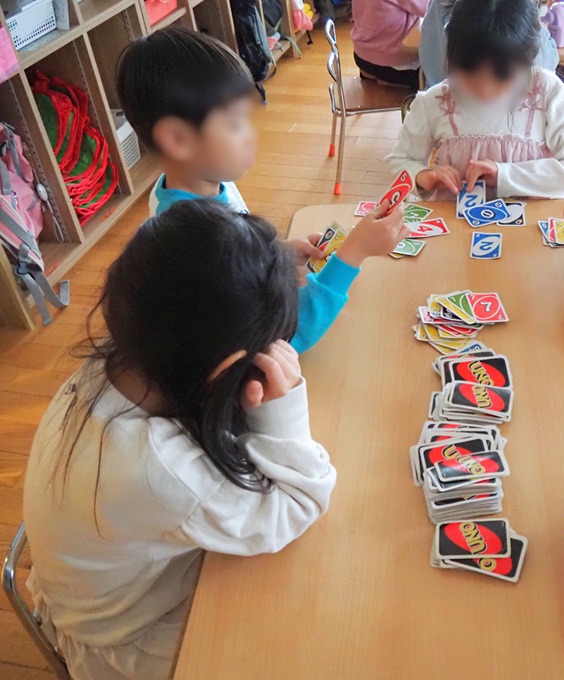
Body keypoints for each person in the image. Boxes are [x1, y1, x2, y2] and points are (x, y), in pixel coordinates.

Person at [23, 200, 338, 680]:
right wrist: (283, 405)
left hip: (103, 583)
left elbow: (198, 291)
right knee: (295, 634)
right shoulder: (158, 468)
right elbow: (297, 506)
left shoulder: (123, 360)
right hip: (125, 637)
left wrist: (261, 277)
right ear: (228, 366)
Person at [116, 28, 409, 354]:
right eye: (235, 123)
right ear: (177, 140)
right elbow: (288, 334)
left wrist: (274, 255)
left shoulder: (189, 192)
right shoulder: (202, 244)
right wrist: (352, 254)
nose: (252, 132)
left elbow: (234, 268)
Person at [387, 0, 564, 201]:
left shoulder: (547, 93)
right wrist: (423, 176)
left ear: (528, 61)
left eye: (502, 77)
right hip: (457, 223)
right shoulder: (436, 102)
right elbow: (399, 160)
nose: (485, 90)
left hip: (533, 222)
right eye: (470, 75)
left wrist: (504, 175)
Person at [419, 0, 559, 89]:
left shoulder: (440, 4)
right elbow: (544, 64)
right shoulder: (518, 10)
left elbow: (428, 53)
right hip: (508, 113)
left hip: (439, 99)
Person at [351, 0, 428, 90]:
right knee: (434, 76)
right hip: (392, 64)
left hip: (361, 57)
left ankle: (379, 78)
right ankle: (393, 83)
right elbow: (427, 7)